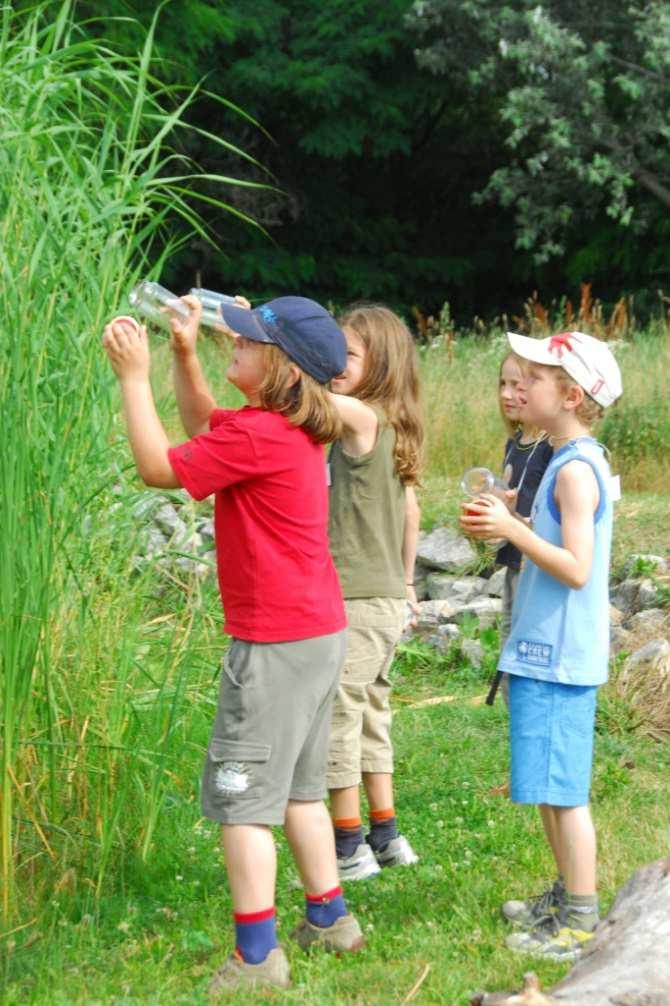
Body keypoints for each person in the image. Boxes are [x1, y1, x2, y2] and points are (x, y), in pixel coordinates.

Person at [102, 295, 364, 994]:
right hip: (317, 633)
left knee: (242, 799)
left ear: (279, 368)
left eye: (245, 343)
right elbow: (198, 431)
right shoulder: (277, 429)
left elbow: (162, 467)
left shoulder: (262, 435)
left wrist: (135, 376)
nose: (232, 345)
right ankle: (330, 918)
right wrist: (183, 354)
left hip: (274, 643)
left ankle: (256, 957)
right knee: (302, 794)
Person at [461, 330, 622, 961]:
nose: (521, 384)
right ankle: (565, 894)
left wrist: (510, 530)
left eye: (539, 376)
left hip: (558, 655)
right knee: (546, 787)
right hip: (540, 649)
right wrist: (518, 519)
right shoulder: (559, 458)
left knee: (565, 793)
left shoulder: (578, 469)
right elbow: (557, 540)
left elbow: (578, 568)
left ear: (572, 395)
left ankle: (581, 919)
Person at [325, 304, 424, 881]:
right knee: (370, 716)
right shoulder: (394, 426)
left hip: (356, 600)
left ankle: (348, 847)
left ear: (380, 365)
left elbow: (298, 397)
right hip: (383, 598)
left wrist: (272, 338)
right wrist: (407, 582)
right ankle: (386, 834)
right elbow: (411, 511)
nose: (335, 363)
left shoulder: (360, 418)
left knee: (338, 713)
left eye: (348, 355)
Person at [489, 352, 553, 705]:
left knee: (527, 644)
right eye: (503, 383)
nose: (506, 393)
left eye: (518, 385)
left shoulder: (550, 449)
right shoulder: (514, 444)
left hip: (537, 563)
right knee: (509, 636)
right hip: (514, 559)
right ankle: (516, 717)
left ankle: (528, 712)